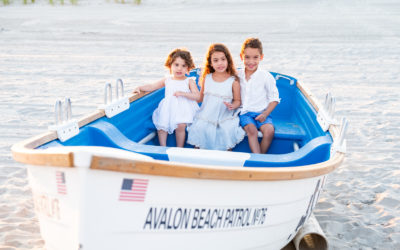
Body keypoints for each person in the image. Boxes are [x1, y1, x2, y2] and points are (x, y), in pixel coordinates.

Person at [133, 48, 200, 147]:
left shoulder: (189, 81)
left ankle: (179, 147)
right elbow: (152, 86)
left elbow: (197, 96)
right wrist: (139, 87)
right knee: (162, 126)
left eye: (183, 66)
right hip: (169, 107)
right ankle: (163, 146)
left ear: (188, 69)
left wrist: (183, 93)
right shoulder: (168, 80)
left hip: (184, 107)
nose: (179, 68)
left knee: (180, 126)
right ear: (170, 66)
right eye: (176, 65)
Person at [187, 43, 245, 150]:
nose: (220, 63)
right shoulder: (207, 78)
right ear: (211, 63)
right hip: (206, 116)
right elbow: (200, 98)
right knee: (200, 129)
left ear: (228, 60)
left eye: (223, 59)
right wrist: (185, 94)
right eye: (216, 60)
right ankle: (196, 161)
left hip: (224, 117)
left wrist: (232, 105)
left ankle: (227, 162)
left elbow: (238, 101)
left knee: (226, 132)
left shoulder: (233, 81)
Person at [238, 38, 280, 154]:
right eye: (247, 57)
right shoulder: (238, 75)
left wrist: (265, 114)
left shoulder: (266, 76)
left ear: (261, 57)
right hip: (244, 113)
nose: (251, 61)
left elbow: (274, 99)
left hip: (262, 113)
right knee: (252, 131)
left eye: (255, 57)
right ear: (241, 57)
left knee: (269, 131)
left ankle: (260, 157)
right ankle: (257, 158)